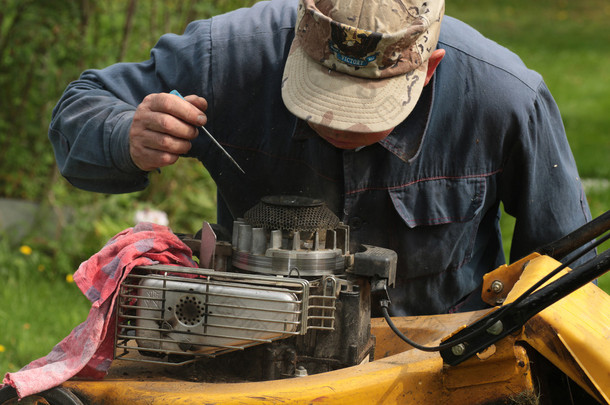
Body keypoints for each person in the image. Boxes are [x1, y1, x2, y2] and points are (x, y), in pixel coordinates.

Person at [49, 0, 594, 316]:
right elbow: (77, 110)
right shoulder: (231, 55)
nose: (339, 122)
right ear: (298, 45)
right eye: (323, 95)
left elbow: (566, 274)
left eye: (365, 108)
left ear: (428, 69)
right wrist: (127, 134)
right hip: (254, 356)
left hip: (438, 367)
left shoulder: (506, 99)